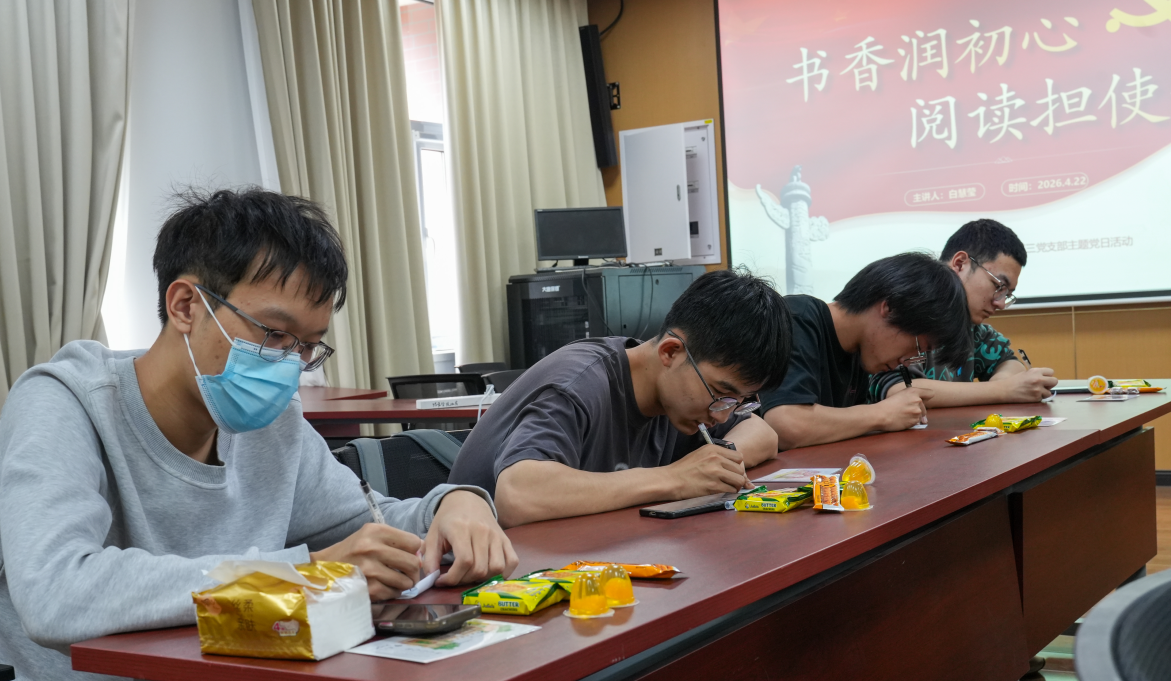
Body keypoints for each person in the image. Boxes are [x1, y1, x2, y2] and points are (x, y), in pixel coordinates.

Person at [0, 188, 516, 681]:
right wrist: (298, 573)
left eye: (308, 345)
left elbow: (366, 528)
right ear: (186, 305)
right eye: (273, 334)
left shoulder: (269, 424)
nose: (290, 366)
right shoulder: (62, 405)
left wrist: (456, 503)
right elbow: (57, 593)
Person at [448, 269, 792, 527]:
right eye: (721, 395)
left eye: (738, 401)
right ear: (671, 352)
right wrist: (676, 478)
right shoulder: (578, 384)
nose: (722, 415)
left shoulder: (683, 392)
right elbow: (517, 495)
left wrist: (718, 465)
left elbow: (763, 433)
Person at [760, 252, 970, 451]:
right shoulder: (797, 318)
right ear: (890, 307)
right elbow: (787, 425)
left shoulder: (860, 353)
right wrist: (883, 413)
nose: (907, 362)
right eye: (917, 347)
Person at [868, 219, 1057, 406]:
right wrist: (1003, 390)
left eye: (1007, 294)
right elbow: (899, 389)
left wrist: (1006, 383)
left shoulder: (972, 329)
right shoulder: (909, 310)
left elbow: (1008, 362)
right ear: (959, 264)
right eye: (998, 286)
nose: (1000, 303)